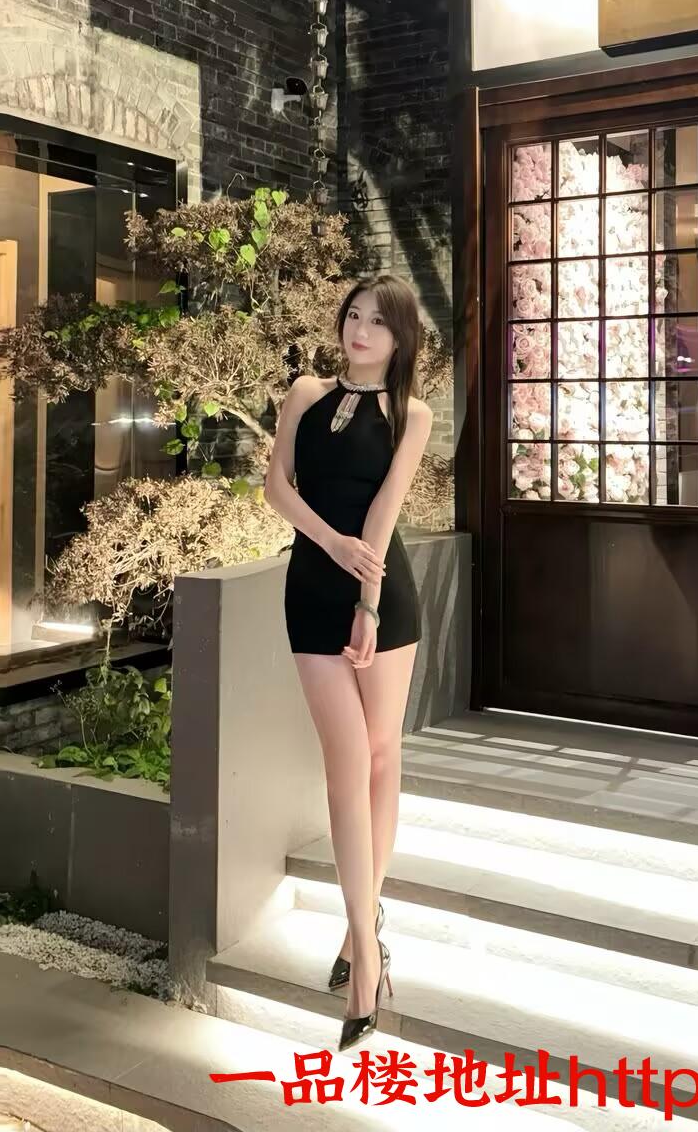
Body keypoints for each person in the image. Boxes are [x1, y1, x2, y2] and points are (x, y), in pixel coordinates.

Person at [265, 273, 433, 1053]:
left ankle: (357, 930)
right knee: (345, 763)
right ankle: (369, 949)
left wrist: (368, 605)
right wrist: (330, 545)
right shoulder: (304, 393)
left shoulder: (411, 414)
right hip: (311, 587)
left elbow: (385, 512)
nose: (359, 330)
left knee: (380, 756)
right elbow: (277, 488)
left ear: (400, 339)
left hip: (382, 596)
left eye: (377, 322)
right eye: (353, 315)